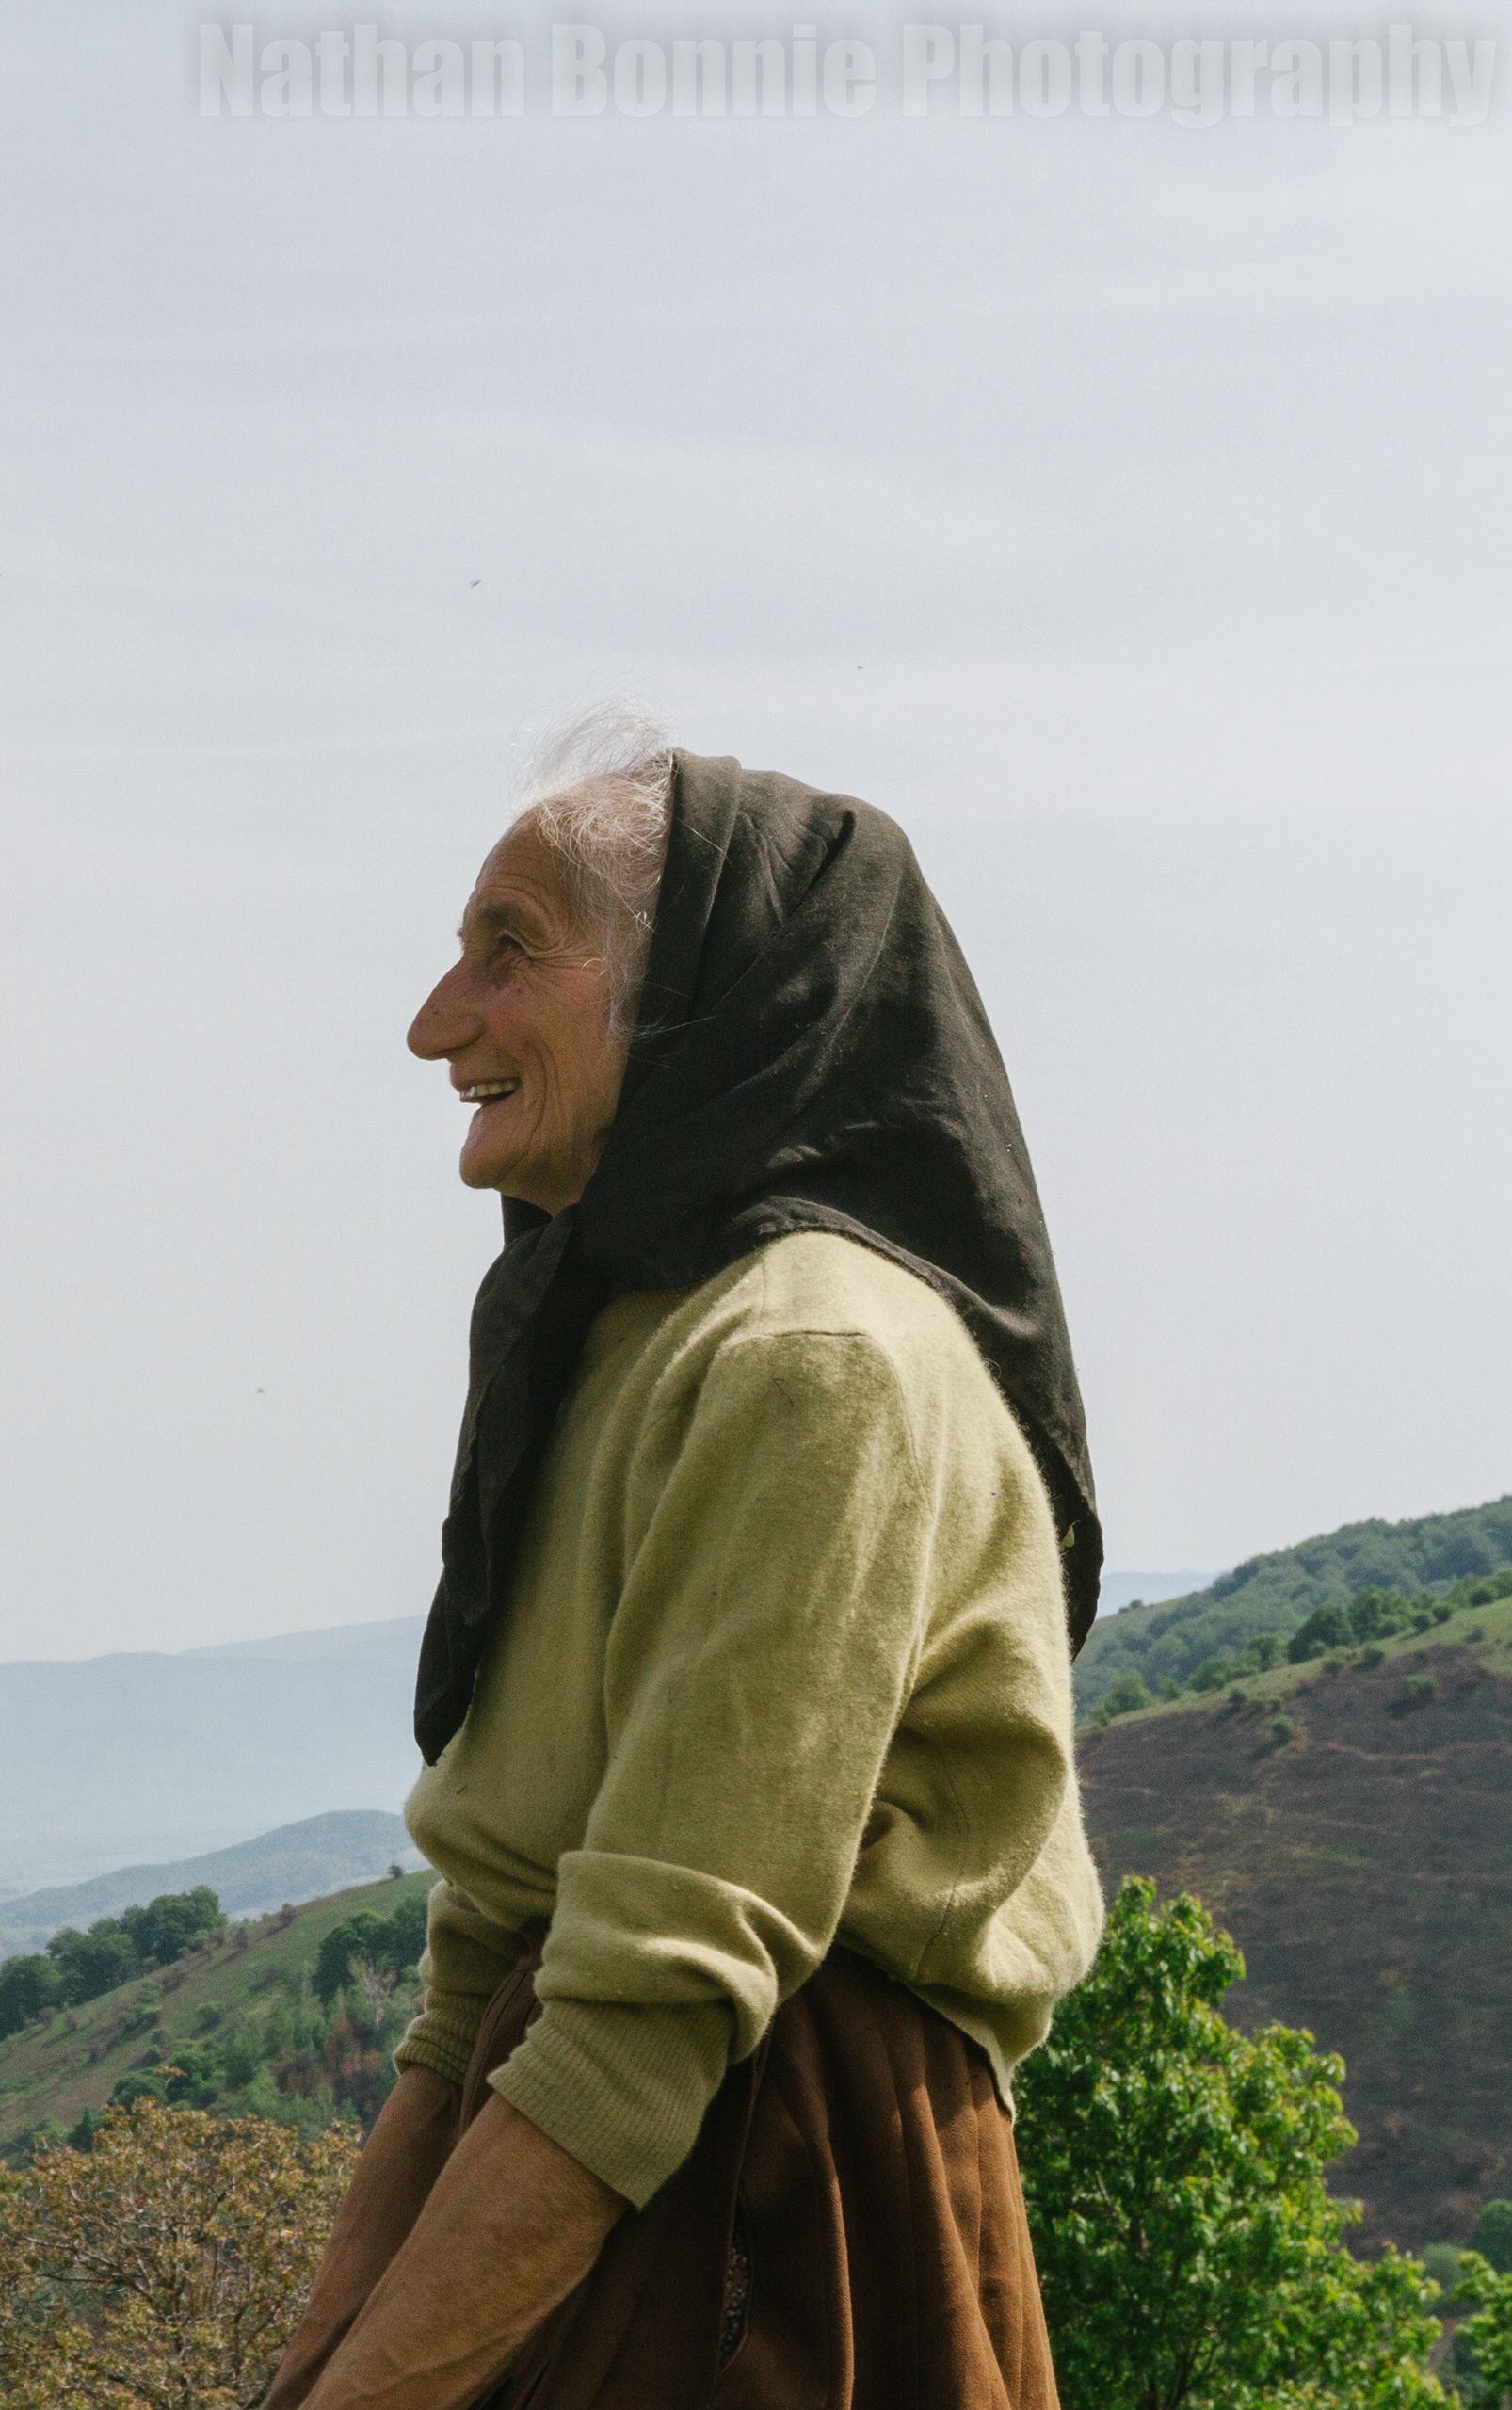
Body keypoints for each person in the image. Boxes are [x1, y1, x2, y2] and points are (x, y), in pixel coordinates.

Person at [263, 710, 1106, 2409]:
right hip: (587, 2169)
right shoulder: (631, 1333)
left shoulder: (812, 1361)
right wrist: (314, 2372)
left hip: (782, 2221)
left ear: (702, 998)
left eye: (510, 951)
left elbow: (653, 2008)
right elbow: (483, 1961)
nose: (436, 1024)